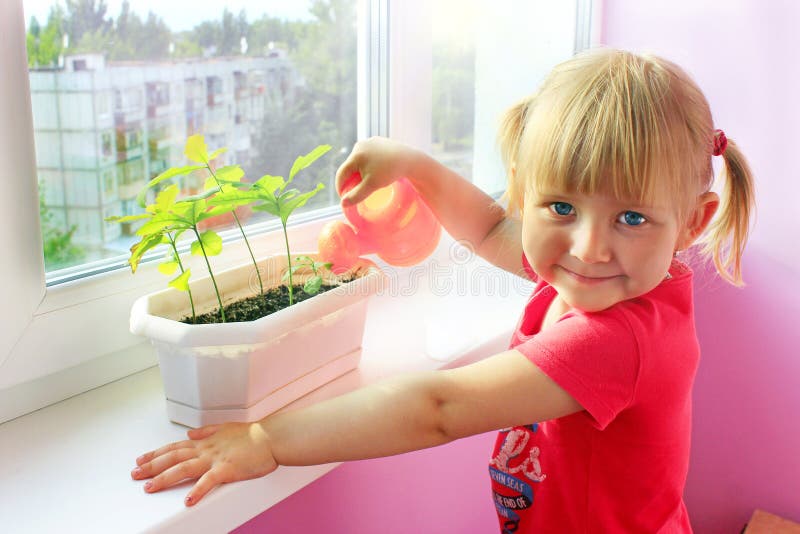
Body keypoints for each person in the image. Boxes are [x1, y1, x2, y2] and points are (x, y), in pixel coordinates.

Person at [131, 48, 755, 532]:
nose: (589, 245)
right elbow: (489, 227)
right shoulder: (611, 274)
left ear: (692, 223)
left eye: (632, 218)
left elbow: (439, 408)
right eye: (561, 206)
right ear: (526, 192)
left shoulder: (618, 336)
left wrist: (269, 440)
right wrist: (413, 165)